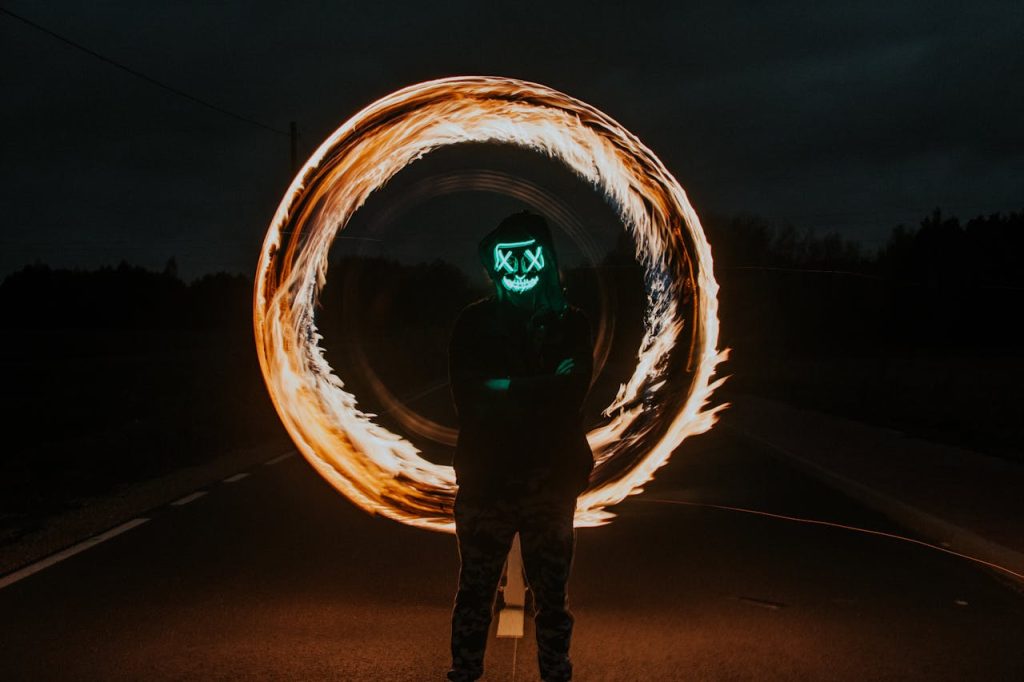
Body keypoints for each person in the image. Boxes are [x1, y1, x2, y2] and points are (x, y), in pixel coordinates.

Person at [446, 210, 594, 682]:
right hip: (487, 481)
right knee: (475, 591)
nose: (518, 267)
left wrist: (504, 386)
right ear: (492, 265)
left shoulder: (570, 323)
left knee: (552, 597)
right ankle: (464, 674)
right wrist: (544, 385)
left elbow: (573, 393)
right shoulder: (473, 324)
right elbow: (469, 396)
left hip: (549, 482)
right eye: (506, 258)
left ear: (545, 259)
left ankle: (556, 674)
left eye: (527, 255)